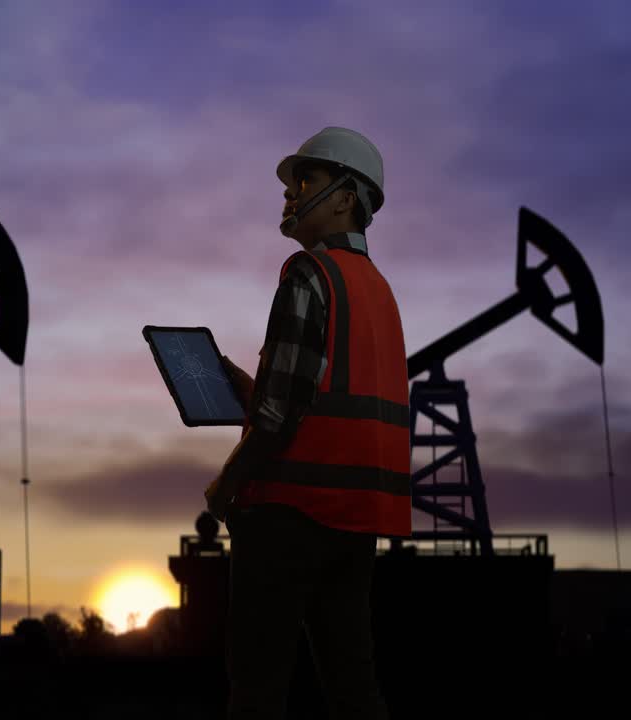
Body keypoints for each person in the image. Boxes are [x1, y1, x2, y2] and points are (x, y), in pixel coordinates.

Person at [205, 126, 411, 720]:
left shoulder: (308, 274)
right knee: (353, 685)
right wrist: (253, 389)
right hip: (354, 523)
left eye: (307, 180)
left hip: (287, 515)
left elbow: (277, 418)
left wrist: (226, 486)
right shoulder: (379, 292)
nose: (291, 195)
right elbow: (320, 396)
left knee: (257, 689)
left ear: (346, 196)